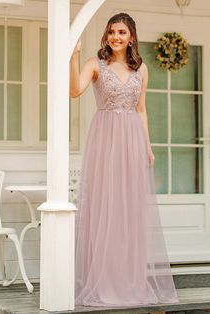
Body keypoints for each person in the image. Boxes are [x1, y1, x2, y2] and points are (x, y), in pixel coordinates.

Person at [70, 12, 179, 307]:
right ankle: (103, 281)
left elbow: (141, 108)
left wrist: (148, 145)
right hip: (105, 139)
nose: (115, 37)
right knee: (105, 206)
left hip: (132, 139)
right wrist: (74, 56)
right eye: (111, 32)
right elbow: (75, 91)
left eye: (121, 32)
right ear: (106, 35)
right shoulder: (95, 64)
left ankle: (129, 280)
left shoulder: (141, 69)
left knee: (129, 209)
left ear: (131, 36)